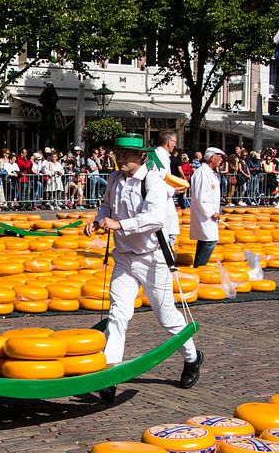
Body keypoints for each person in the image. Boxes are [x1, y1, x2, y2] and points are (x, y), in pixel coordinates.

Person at [84, 133, 202, 403]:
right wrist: (98, 221)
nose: (120, 158)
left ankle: (192, 357)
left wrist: (120, 225)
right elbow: (106, 206)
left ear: (141, 157)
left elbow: (154, 219)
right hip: (124, 256)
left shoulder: (154, 183)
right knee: (117, 313)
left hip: (152, 257)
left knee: (166, 315)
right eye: (118, 153)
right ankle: (110, 373)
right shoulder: (114, 179)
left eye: (125, 155)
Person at [190, 147, 224, 267]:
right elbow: (200, 197)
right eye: (219, 157)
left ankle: (199, 266)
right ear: (211, 158)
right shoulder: (202, 173)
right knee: (209, 241)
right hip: (204, 214)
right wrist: (211, 212)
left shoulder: (209, 173)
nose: (221, 160)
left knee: (206, 240)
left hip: (208, 214)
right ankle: (199, 267)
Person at [148, 130, 180, 251]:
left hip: (158, 199)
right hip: (161, 201)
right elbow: (158, 179)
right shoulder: (161, 156)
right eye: (174, 142)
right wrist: (173, 190)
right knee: (166, 237)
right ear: (169, 142)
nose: (174, 145)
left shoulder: (154, 154)